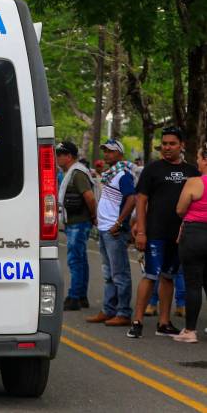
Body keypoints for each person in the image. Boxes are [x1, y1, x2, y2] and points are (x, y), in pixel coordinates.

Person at [127, 127, 198, 339]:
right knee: (150, 275)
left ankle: (164, 323)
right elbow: (141, 200)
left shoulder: (192, 172)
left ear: (182, 145)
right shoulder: (152, 169)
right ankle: (137, 321)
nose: (167, 148)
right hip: (154, 233)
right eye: (164, 144)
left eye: (172, 144)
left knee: (169, 277)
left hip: (179, 235)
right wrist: (141, 229)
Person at [86, 139, 136, 327]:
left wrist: (119, 222)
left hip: (114, 231)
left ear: (120, 154)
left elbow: (132, 199)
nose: (106, 154)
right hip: (105, 229)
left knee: (119, 274)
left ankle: (123, 312)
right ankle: (108, 310)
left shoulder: (122, 175)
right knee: (108, 273)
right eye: (105, 151)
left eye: (111, 151)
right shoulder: (109, 175)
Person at [57, 141, 97, 311]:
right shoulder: (70, 173)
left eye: (60, 154)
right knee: (81, 259)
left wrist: (93, 216)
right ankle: (81, 296)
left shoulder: (77, 173)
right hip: (75, 222)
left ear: (69, 156)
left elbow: (89, 197)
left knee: (75, 260)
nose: (57, 157)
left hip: (79, 223)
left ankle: (74, 297)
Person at [173, 144, 207, 343]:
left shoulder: (194, 182)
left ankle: (190, 331)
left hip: (194, 234)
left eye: (200, 158)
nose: (197, 161)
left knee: (193, 284)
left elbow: (180, 209)